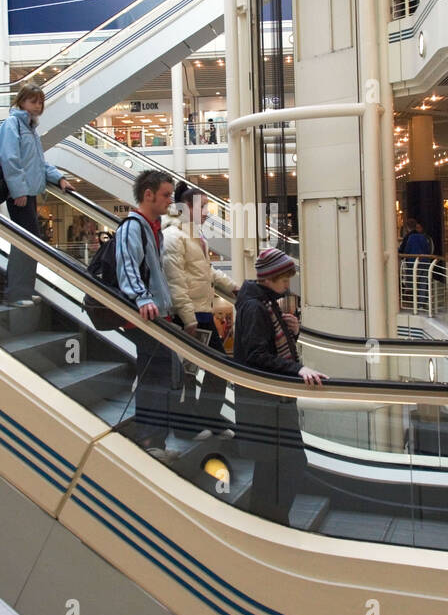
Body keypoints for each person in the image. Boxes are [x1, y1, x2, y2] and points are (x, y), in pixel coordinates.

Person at [233, 248, 326, 524]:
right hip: (265, 405)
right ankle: (272, 520)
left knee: (271, 468)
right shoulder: (255, 307)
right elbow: (256, 356)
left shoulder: (263, 302)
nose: (287, 285)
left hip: (268, 404)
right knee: (288, 464)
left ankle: (269, 521)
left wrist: (292, 332)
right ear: (269, 278)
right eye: (283, 279)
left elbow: (264, 348)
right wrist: (297, 368)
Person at [162, 182, 237, 438]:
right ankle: (187, 427)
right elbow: (175, 282)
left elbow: (205, 271)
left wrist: (232, 286)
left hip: (203, 312)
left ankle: (207, 417)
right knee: (189, 372)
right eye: (202, 206)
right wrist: (188, 318)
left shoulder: (195, 236)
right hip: (190, 316)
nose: (207, 212)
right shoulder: (174, 237)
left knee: (215, 367)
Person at [115, 170, 179, 464]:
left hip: (158, 314)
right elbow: (127, 266)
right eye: (166, 195)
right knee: (155, 376)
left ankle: (156, 439)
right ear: (148, 194)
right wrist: (142, 298)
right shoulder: (133, 226)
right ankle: (149, 439)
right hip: (145, 315)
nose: (170, 201)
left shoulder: (154, 228)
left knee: (162, 375)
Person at [0, 84, 73, 306]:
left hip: (28, 193)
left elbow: (39, 163)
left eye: (40, 101)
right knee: (26, 242)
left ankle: (23, 291)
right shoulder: (12, 125)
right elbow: (10, 159)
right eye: (32, 101)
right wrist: (18, 190)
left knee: (30, 241)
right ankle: (16, 293)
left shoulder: (30, 129)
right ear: (21, 102)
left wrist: (59, 178)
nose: (37, 105)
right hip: (19, 194)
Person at [398, 216, 433, 311]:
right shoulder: (423, 237)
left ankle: (416, 303)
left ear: (407, 228)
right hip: (425, 262)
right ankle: (421, 303)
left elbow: (405, 250)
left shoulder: (410, 238)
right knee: (423, 283)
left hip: (413, 264)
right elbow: (428, 249)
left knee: (414, 283)